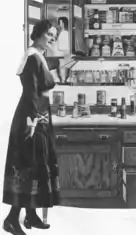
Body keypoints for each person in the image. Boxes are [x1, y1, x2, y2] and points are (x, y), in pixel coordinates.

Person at [2, 19, 72, 235]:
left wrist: (65, 62)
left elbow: (48, 68)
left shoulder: (38, 55)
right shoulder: (32, 57)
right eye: (50, 34)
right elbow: (32, 92)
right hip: (31, 119)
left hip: (39, 116)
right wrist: (33, 122)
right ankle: (11, 220)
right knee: (28, 167)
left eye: (55, 35)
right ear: (40, 33)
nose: (52, 38)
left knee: (37, 166)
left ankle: (30, 215)